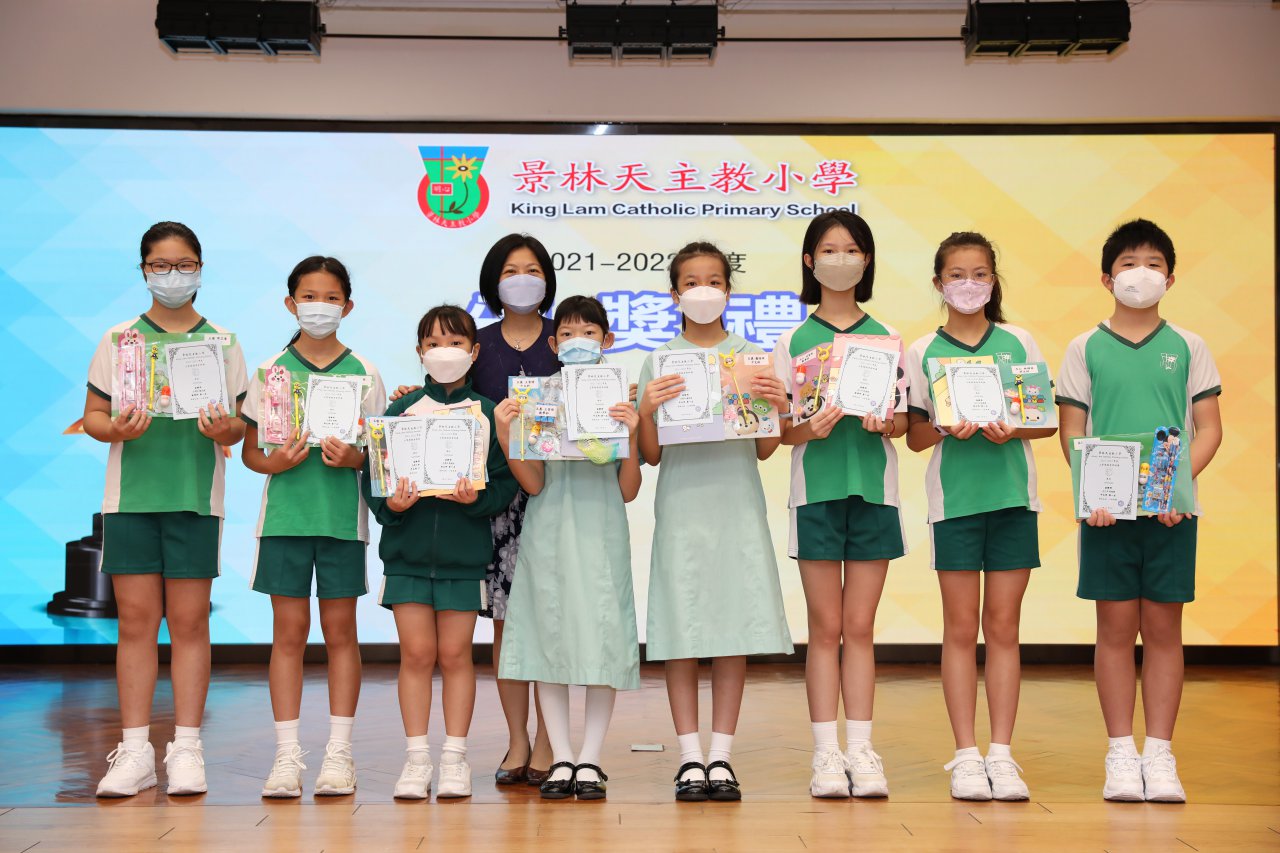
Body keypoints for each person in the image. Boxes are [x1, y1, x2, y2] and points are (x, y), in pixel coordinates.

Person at [1057, 219, 1222, 803]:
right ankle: (1121, 753)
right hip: (1108, 516)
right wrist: (1093, 494)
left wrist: (1173, 490)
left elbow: (1208, 429)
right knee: (1114, 632)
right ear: (1107, 278)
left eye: (1153, 264)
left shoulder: (1189, 346)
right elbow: (1072, 430)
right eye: (1128, 264)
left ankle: (1160, 753)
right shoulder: (1084, 347)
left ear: (1170, 279)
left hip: (1172, 515)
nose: (1140, 273)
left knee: (1164, 632)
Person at [85, 221, 248, 797]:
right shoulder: (118, 339)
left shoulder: (222, 343)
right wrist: (116, 428)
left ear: (200, 269)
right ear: (144, 270)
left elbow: (240, 425)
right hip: (131, 499)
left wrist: (224, 428)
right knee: (134, 622)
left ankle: (186, 748)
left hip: (195, 499)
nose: (173, 275)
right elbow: (94, 417)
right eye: (160, 265)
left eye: (184, 265)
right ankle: (134, 752)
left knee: (190, 623)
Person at [637, 242, 793, 802]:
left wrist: (778, 404)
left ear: (728, 290)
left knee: (732, 630)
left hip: (736, 506)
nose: (703, 290)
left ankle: (721, 756)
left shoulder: (753, 358)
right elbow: (651, 455)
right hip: (682, 508)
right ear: (674, 294)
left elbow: (766, 448)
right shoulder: (659, 362)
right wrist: (646, 410)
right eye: (691, 282)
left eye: (714, 281)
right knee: (681, 633)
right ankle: (689, 756)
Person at [903, 232, 1057, 801]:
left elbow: (1045, 421)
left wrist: (1013, 428)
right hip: (955, 504)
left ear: (993, 281)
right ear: (938, 283)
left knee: (1005, 628)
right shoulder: (922, 350)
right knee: (961, 630)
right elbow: (914, 435)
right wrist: (944, 427)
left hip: (1014, 499)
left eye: (980, 274)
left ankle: (1003, 754)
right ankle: (966, 755)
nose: (969, 284)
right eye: (957, 274)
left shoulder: (1019, 341)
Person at [771, 211, 907, 799]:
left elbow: (904, 421)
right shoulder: (791, 341)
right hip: (816, 495)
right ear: (810, 261)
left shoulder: (887, 337)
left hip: (874, 491)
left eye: (851, 250)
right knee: (825, 629)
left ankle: (862, 749)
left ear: (866, 260)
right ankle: (826, 752)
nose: (840, 259)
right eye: (829, 250)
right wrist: (811, 428)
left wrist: (886, 422)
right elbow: (781, 432)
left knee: (860, 628)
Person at [241, 256, 385, 798]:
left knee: (341, 634)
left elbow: (379, 455)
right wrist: (273, 462)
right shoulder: (270, 372)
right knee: (288, 635)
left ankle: (339, 754)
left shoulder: (364, 372)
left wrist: (354, 458)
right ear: (290, 303)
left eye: (330, 298)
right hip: (284, 521)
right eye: (308, 296)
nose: (319, 307)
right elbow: (251, 453)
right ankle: (287, 757)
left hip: (341, 523)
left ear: (348, 306)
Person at [364, 305, 517, 800]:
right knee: (416, 654)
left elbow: (505, 484)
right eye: (433, 343)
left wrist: (477, 501)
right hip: (406, 556)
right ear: (419, 352)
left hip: (463, 557)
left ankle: (454, 758)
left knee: (454, 655)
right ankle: (416, 760)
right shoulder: (399, 412)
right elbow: (373, 480)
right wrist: (391, 505)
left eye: (454, 343)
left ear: (474, 352)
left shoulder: (488, 414)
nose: (443, 352)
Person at [493, 296, 642, 801]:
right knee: (548, 639)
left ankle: (591, 759)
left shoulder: (621, 399)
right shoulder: (538, 399)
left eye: (590, 333)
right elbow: (533, 483)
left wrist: (632, 435)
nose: (580, 342)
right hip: (550, 528)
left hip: (602, 528)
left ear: (608, 340)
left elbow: (628, 490)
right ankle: (560, 756)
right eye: (569, 334)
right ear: (554, 344)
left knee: (604, 638)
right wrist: (507, 433)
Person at [472, 234, 559, 786]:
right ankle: (517, 740)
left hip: (558, 496)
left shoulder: (566, 337)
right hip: (501, 502)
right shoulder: (476, 344)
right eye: (510, 270)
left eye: (532, 269)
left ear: (547, 279)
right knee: (506, 624)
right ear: (493, 281)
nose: (522, 279)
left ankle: (551, 740)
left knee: (553, 622)